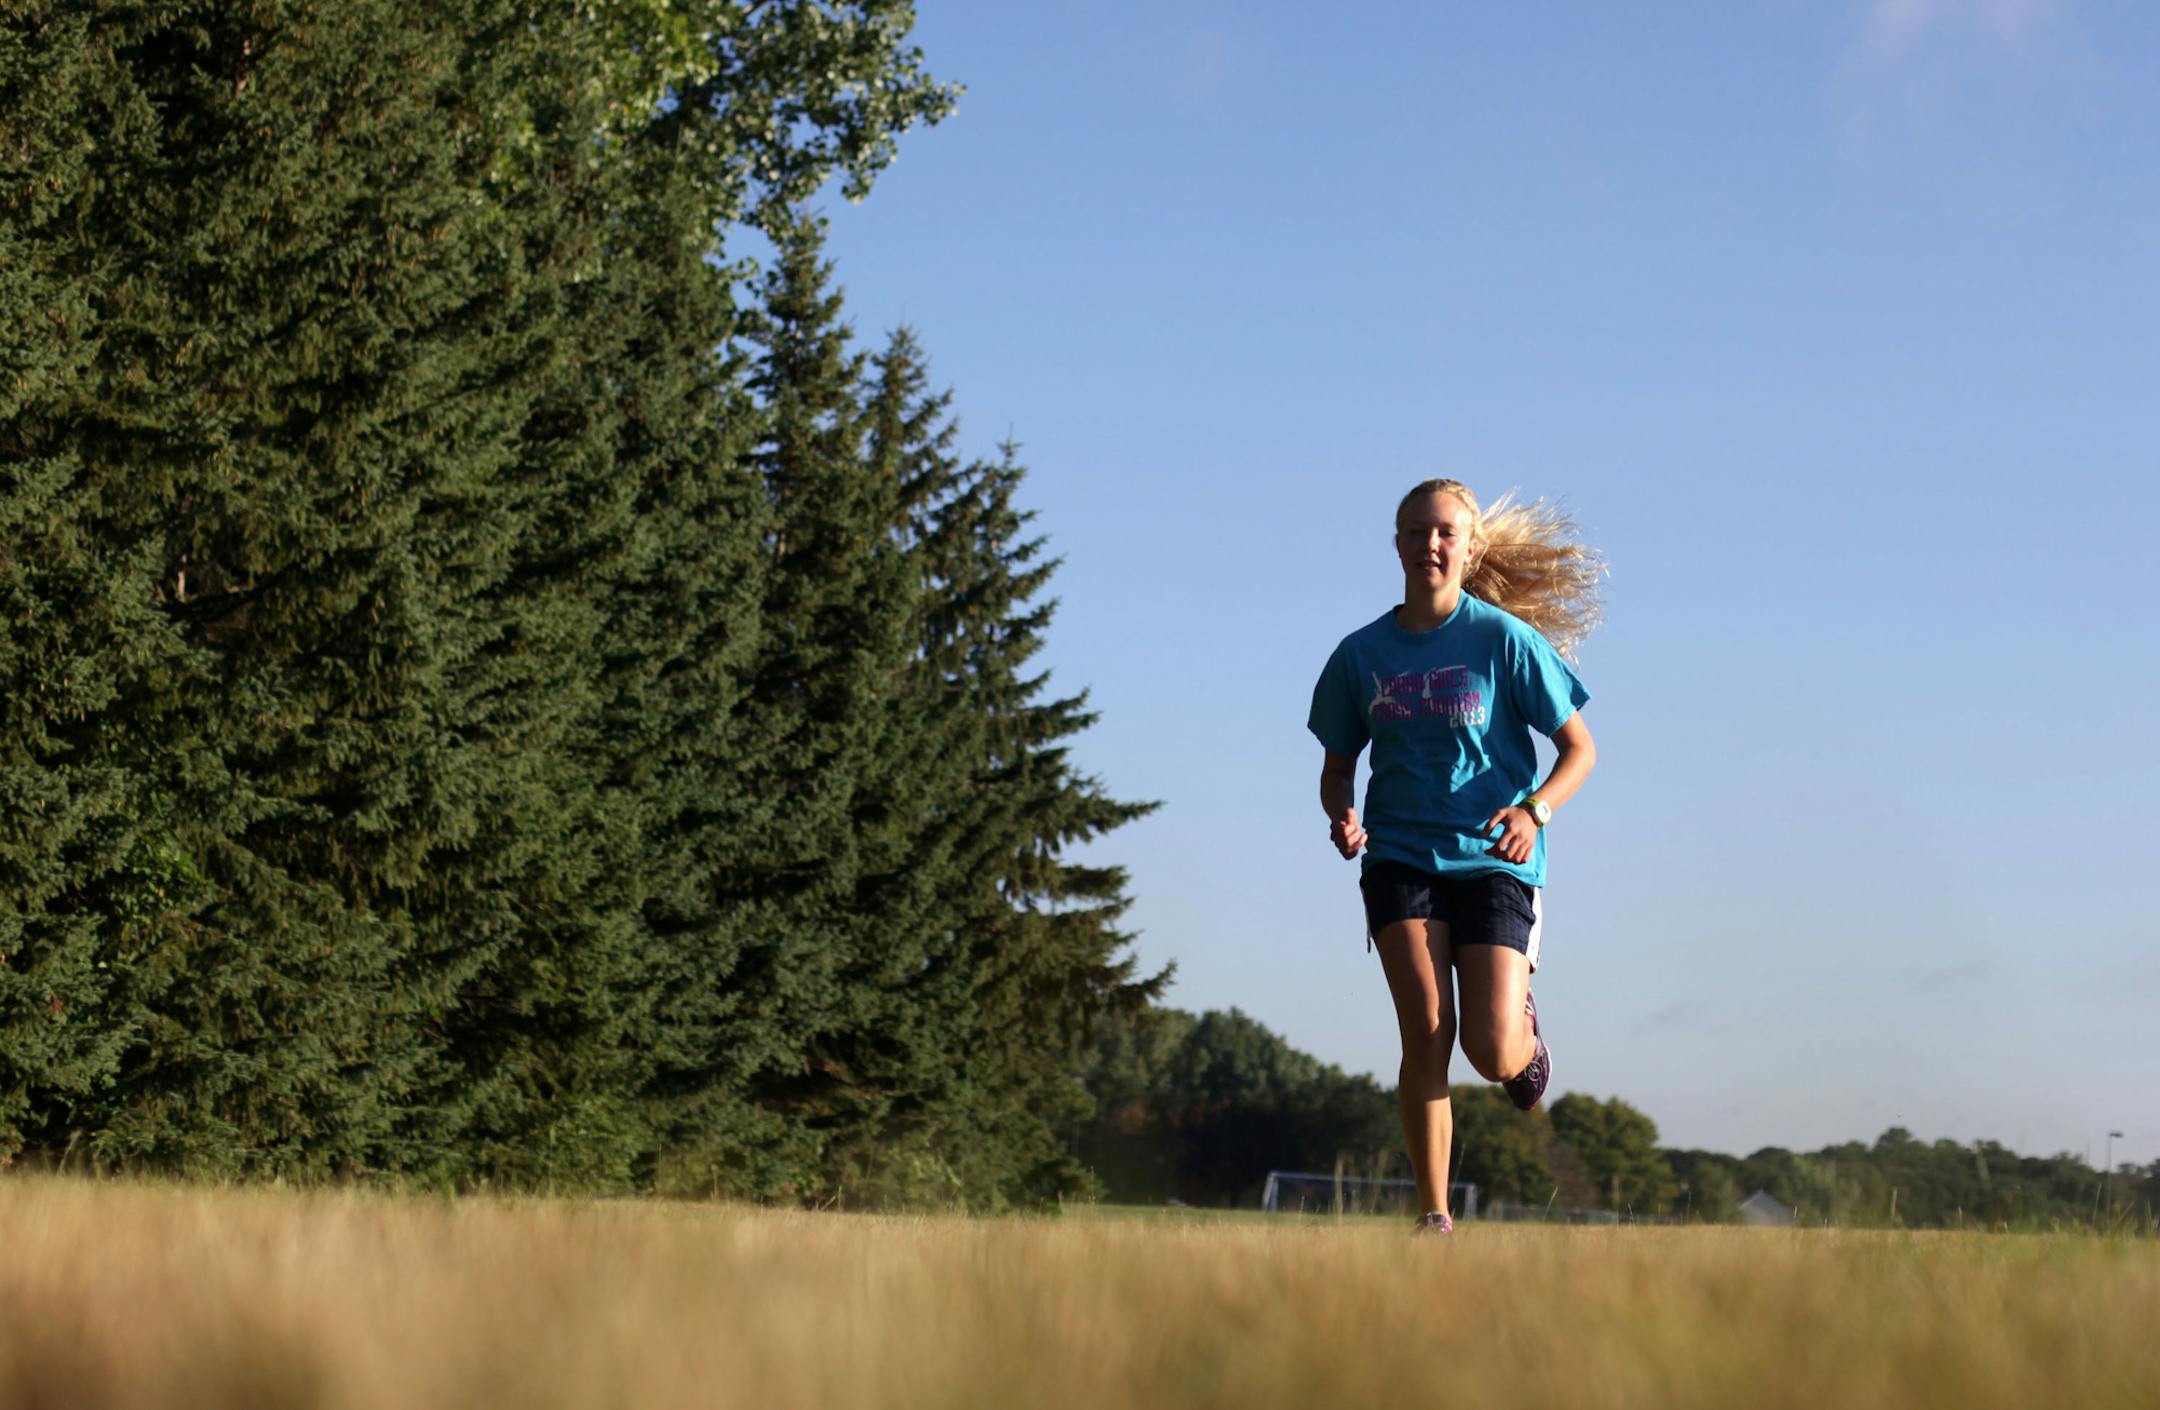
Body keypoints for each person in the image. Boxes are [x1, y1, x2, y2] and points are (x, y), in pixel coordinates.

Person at [1306, 478, 1603, 1235]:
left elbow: (1579, 750)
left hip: (1496, 857)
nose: (1431, 545)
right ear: (1398, 544)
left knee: (1490, 1051)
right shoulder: (1361, 654)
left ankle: (1520, 1035)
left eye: (1446, 533)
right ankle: (1434, 1217)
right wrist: (1341, 813)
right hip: (1400, 857)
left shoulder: (1503, 641)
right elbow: (1339, 766)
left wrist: (1536, 811)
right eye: (1417, 531)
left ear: (1471, 549)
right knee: (1427, 1035)